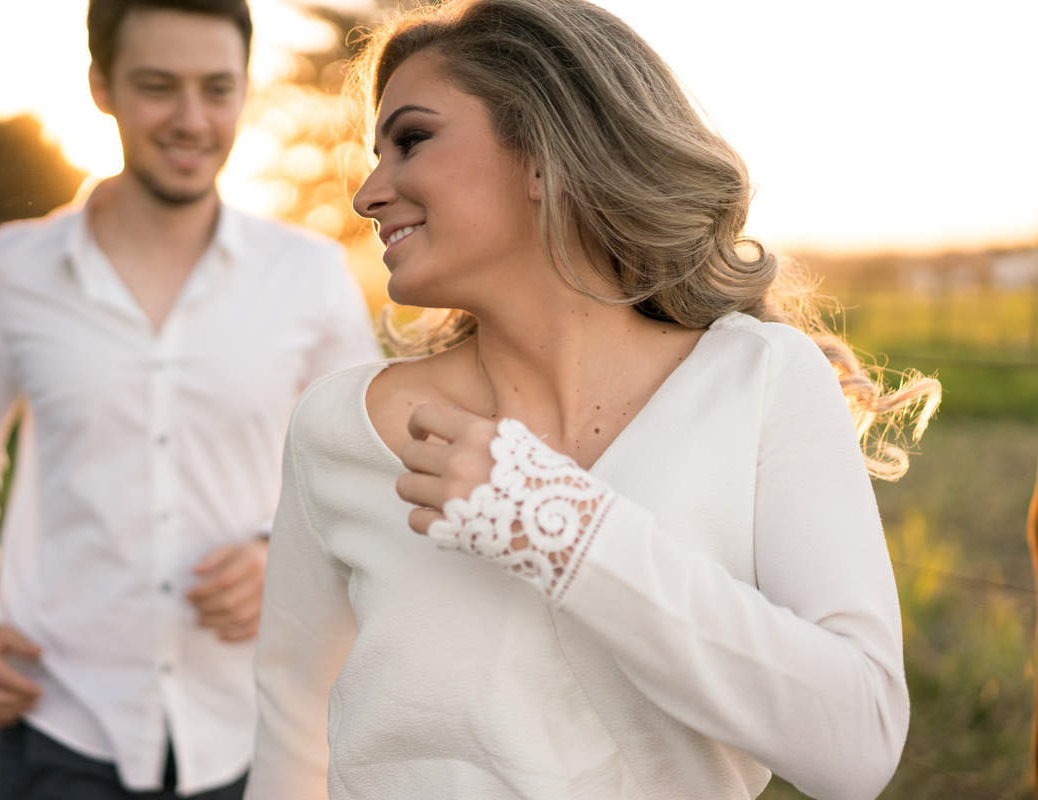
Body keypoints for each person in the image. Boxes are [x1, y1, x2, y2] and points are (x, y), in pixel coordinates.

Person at [246, 1, 941, 798]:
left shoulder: (761, 380)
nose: (368, 193)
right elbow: (292, 733)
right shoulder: (340, 430)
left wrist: (557, 523)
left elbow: (858, 742)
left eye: (411, 140)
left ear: (544, 153)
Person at [0, 0, 380, 797]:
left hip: (260, 726)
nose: (192, 120)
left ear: (243, 90)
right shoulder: (9, 270)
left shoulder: (309, 274)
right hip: (62, 716)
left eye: (217, 88)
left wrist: (281, 550)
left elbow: (361, 460)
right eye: (159, 86)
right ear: (102, 86)